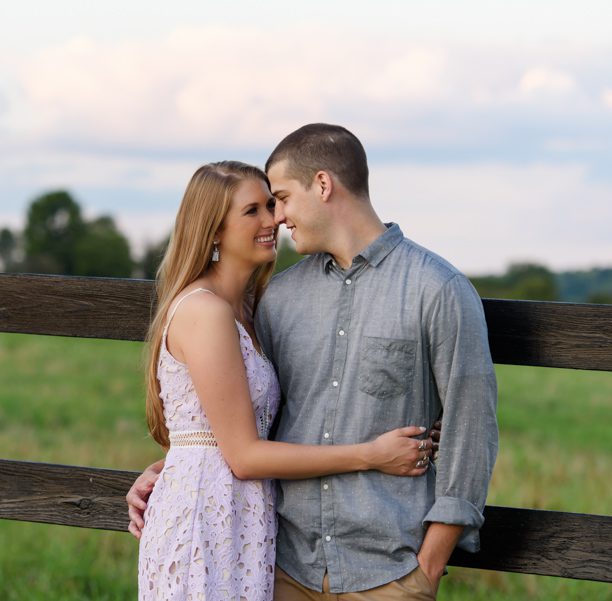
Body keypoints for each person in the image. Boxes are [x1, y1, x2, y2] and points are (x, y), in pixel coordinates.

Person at [129, 125, 499, 600]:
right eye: (260, 207)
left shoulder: (437, 290)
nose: (277, 217)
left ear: (322, 185)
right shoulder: (277, 299)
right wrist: (177, 466)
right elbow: (238, 430)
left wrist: (427, 565)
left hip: (387, 571)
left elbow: (472, 430)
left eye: (278, 198)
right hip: (284, 566)